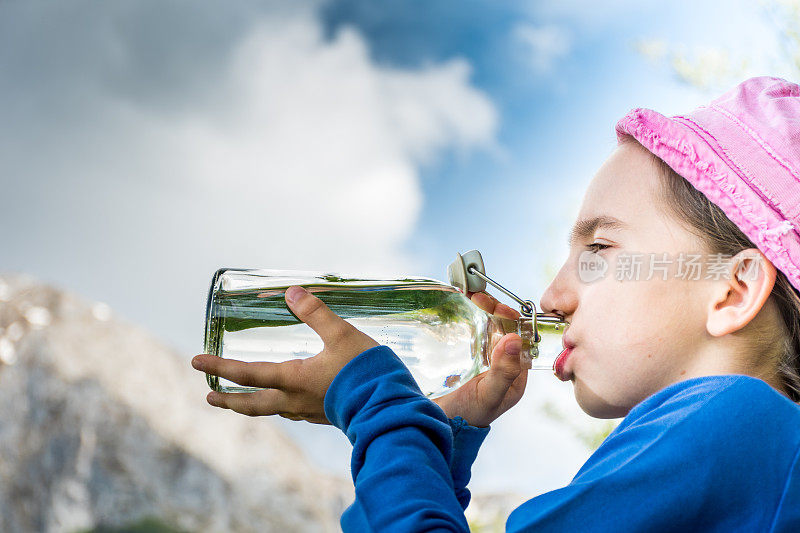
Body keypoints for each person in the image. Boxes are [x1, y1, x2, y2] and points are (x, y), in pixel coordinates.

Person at [191, 76, 800, 532]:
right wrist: (438, 440)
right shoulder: (752, 454)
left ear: (734, 290)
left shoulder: (736, 421)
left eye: (601, 247)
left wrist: (379, 406)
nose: (552, 299)